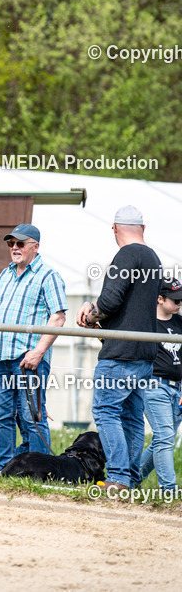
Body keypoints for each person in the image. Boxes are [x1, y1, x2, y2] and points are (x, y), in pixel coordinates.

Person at [76, 206, 161, 489]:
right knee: (133, 417)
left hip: (121, 353)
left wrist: (90, 315)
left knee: (106, 410)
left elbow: (111, 301)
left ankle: (117, 478)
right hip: (146, 353)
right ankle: (131, 479)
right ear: (143, 229)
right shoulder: (153, 258)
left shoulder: (126, 255)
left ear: (114, 229)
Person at [0, 223, 66, 472]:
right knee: (2, 416)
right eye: (11, 244)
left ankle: (40, 473)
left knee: (32, 418)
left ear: (35, 247)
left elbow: (58, 317)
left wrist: (38, 352)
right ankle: (5, 468)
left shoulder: (48, 276)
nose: (14, 248)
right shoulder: (4, 274)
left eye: (20, 244)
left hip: (28, 360)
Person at [138, 279, 182, 490]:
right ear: (160, 299)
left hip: (178, 389)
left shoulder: (180, 322)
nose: (179, 303)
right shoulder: (144, 323)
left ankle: (128, 481)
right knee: (164, 437)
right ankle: (169, 491)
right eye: (175, 300)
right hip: (154, 386)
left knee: (163, 441)